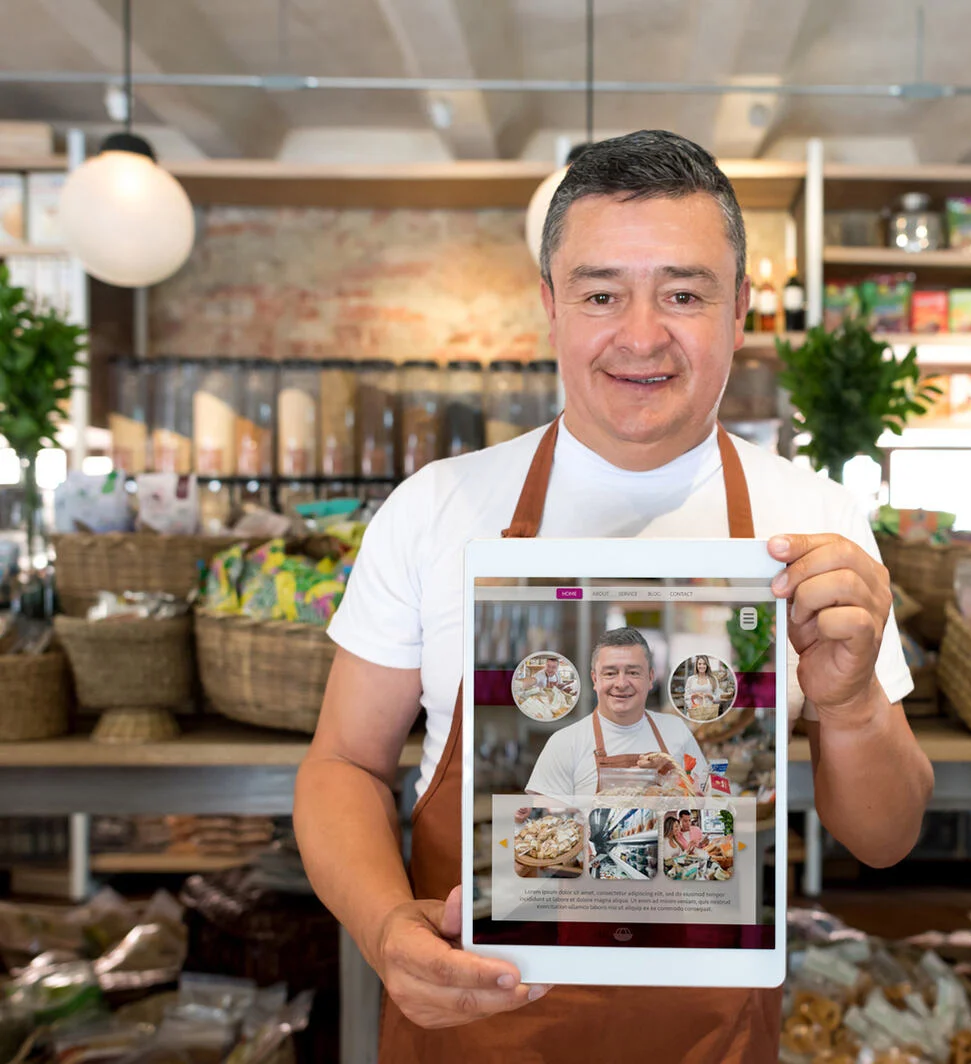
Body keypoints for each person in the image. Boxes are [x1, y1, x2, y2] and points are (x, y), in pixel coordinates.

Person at [294, 129, 933, 1063]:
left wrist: (853, 702)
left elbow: (886, 838)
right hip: (480, 1033)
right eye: (601, 294)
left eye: (683, 293)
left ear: (741, 311)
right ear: (551, 307)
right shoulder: (438, 506)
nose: (642, 335)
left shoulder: (816, 521)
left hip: (709, 1042)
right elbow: (343, 764)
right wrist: (385, 924)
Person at [525, 626, 707, 797]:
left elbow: (708, 802)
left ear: (650, 678)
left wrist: (673, 776)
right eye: (610, 673)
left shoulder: (676, 730)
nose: (621, 684)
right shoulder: (564, 743)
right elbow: (541, 822)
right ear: (595, 679)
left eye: (633, 673)